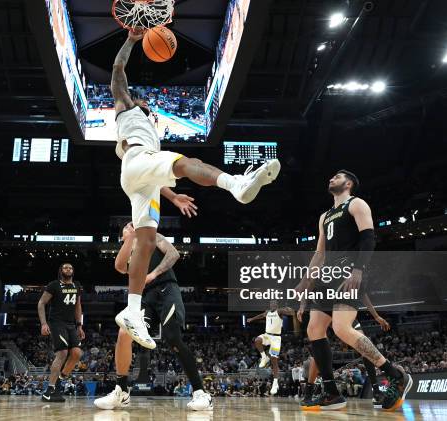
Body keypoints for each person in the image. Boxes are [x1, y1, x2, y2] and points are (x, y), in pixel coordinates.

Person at [111, 29, 281, 351]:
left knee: (146, 241)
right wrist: (132, 40)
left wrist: (173, 196)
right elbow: (118, 71)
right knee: (189, 162)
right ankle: (237, 184)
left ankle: (132, 310)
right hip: (137, 161)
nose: (147, 103)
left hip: (137, 177)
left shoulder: (150, 130)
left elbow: (152, 177)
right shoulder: (127, 110)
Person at [294, 170, 412, 411]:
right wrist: (306, 281)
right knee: (314, 328)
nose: (330, 178)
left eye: (336, 177)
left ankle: (395, 374)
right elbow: (320, 253)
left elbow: (368, 238)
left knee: (341, 327)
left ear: (348, 183)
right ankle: (331, 392)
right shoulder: (324, 216)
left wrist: (358, 270)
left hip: (349, 270)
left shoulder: (356, 204)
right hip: (329, 274)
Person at [94, 223, 213, 410]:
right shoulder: (129, 249)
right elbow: (119, 266)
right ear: (122, 235)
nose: (131, 225)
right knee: (124, 332)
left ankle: (201, 393)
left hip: (167, 288)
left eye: (133, 224)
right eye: (127, 226)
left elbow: (174, 254)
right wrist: (130, 239)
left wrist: (154, 274)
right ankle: (122, 391)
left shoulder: (153, 237)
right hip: (144, 297)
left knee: (172, 337)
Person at [298, 292, 391, 407]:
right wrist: (302, 306)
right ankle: (308, 394)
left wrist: (376, 316)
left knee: (364, 346)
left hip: (342, 310)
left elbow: (362, 292)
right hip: (326, 310)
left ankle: (376, 391)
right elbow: (307, 285)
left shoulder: (347, 282)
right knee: (317, 352)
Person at [38, 263, 85, 402]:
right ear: (61, 271)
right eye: (65, 268)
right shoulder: (54, 285)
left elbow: (78, 306)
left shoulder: (76, 286)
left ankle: (60, 377)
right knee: (63, 353)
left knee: (77, 354)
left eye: (71, 268)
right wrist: (44, 323)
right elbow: (41, 303)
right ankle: (50, 388)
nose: (68, 269)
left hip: (71, 324)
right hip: (56, 323)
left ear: (73, 271)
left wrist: (79, 325)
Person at [247, 300, 294, 395]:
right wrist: (252, 319)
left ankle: (275, 383)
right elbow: (261, 315)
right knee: (257, 340)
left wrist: (289, 309)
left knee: (274, 360)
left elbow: (291, 313)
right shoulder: (267, 312)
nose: (272, 305)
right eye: (271, 304)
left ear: (277, 305)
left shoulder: (280, 311)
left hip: (276, 338)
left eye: (274, 304)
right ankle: (264, 357)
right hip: (267, 335)